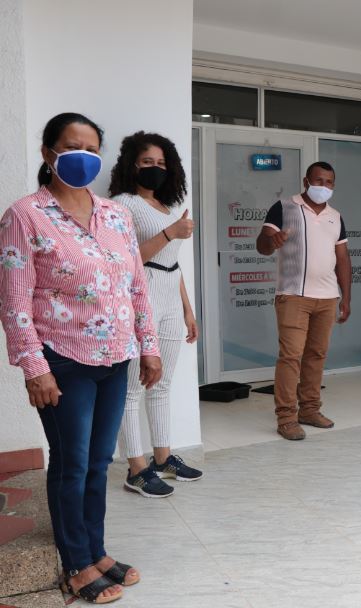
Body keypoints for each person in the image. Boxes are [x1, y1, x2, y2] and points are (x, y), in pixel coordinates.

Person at [0, 113, 162, 603]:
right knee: (71, 463)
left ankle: (95, 549)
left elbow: (136, 284)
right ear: (49, 153)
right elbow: (13, 300)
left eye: (93, 149)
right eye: (73, 146)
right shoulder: (25, 215)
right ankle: (75, 562)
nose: (83, 157)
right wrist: (35, 367)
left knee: (97, 463)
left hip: (115, 358)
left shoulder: (115, 214)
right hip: (62, 359)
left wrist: (148, 346)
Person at [109, 132, 202, 498]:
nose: (155, 169)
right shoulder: (122, 205)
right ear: (132, 164)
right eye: (147, 162)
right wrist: (171, 232)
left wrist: (187, 310)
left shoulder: (164, 206)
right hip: (138, 298)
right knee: (131, 389)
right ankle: (136, 468)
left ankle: (163, 458)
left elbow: (171, 264)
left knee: (162, 384)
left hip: (168, 298)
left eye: (161, 164)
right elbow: (125, 260)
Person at [256, 161, 352, 441]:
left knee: (317, 355)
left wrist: (346, 297)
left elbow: (343, 258)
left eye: (329, 182)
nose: (324, 186)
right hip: (293, 295)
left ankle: (309, 409)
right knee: (291, 357)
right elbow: (262, 244)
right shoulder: (284, 207)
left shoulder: (336, 216)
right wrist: (272, 241)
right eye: (319, 180)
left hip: (327, 297)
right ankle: (286, 417)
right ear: (306, 180)